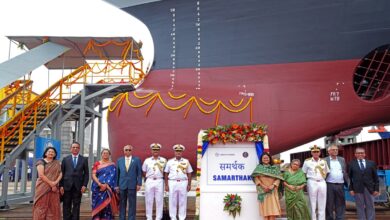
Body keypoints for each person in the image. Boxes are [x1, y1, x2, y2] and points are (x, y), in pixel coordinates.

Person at [60, 141, 89, 220]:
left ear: (79, 149)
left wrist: (84, 185)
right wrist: (61, 186)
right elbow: (61, 173)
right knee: (66, 205)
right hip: (67, 186)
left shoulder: (84, 159)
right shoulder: (65, 159)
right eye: (73, 147)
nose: (75, 149)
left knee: (76, 205)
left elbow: (86, 174)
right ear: (70, 149)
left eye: (77, 147)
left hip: (78, 186)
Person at [348, 147, 379, 220]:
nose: (360, 154)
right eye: (358, 153)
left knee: (370, 206)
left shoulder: (371, 163)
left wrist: (376, 189)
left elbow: (376, 178)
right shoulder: (351, 164)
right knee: (360, 206)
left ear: (365, 154)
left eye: (362, 153)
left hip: (369, 189)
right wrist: (351, 189)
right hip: (357, 189)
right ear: (355, 154)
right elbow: (349, 178)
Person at [251, 152, 283, 220]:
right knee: (265, 210)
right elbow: (255, 178)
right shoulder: (258, 168)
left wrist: (273, 185)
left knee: (273, 209)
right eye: (264, 158)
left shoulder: (274, 168)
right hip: (263, 191)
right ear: (261, 159)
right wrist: (263, 186)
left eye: (267, 158)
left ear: (269, 159)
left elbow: (279, 178)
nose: (266, 159)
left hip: (272, 190)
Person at [164, 144, 193, 220]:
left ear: (182, 152)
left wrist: (189, 184)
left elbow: (189, 172)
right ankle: (173, 217)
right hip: (172, 182)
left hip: (183, 182)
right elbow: (166, 173)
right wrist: (166, 185)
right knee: (172, 200)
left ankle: (182, 217)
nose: (178, 153)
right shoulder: (170, 162)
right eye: (177, 151)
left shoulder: (186, 161)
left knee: (182, 201)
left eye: (180, 151)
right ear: (174, 152)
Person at [33, 147, 62, 219]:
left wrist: (55, 183)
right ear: (45, 153)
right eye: (49, 151)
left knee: (53, 206)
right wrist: (51, 184)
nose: (51, 153)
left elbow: (60, 173)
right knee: (41, 205)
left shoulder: (57, 163)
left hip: (54, 188)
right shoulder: (40, 162)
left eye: (53, 152)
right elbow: (41, 175)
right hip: (42, 187)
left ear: (55, 154)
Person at [302, 145, 329, 220]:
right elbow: (303, 173)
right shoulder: (307, 161)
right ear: (311, 153)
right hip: (312, 181)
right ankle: (312, 218)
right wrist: (304, 183)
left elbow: (327, 172)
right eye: (314, 152)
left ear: (320, 152)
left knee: (322, 201)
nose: (316, 153)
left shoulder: (324, 161)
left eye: (317, 151)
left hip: (322, 182)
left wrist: (322, 179)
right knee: (312, 202)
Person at [115, 144, 142, 220]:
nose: (128, 151)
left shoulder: (136, 160)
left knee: (132, 204)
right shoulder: (119, 160)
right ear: (123, 151)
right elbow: (117, 174)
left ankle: (131, 218)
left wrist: (139, 183)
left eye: (129, 150)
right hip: (122, 185)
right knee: (122, 204)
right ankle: (122, 218)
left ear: (132, 151)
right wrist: (116, 185)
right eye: (126, 150)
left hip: (132, 185)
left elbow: (139, 172)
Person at [91, 148, 119, 220]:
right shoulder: (97, 163)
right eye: (104, 153)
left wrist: (106, 185)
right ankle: (97, 218)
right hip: (97, 187)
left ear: (109, 155)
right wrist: (99, 184)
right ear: (101, 154)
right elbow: (93, 175)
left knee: (107, 205)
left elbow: (113, 176)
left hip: (108, 188)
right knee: (97, 204)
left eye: (107, 153)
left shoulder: (112, 165)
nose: (105, 154)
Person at [142, 143, 167, 220]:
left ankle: (158, 218)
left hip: (159, 181)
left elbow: (166, 172)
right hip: (150, 181)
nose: (155, 151)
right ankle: (149, 218)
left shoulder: (163, 160)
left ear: (159, 150)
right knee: (149, 200)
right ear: (151, 151)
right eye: (154, 149)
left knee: (159, 200)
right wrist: (149, 177)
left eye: (157, 149)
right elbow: (144, 171)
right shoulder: (147, 160)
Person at [325, 144, 348, 220]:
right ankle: (329, 218)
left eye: (336, 149)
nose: (335, 151)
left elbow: (344, 171)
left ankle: (340, 218)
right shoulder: (325, 160)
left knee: (340, 203)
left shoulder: (342, 159)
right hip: (329, 185)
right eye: (333, 149)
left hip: (340, 185)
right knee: (329, 203)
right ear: (329, 151)